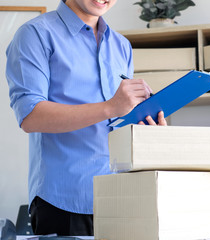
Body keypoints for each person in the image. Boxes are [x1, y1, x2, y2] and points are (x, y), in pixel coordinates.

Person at [5, 0, 167, 236]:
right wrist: (111, 107)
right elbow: (31, 115)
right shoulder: (35, 34)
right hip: (64, 201)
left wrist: (144, 125)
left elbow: (118, 118)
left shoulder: (121, 45)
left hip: (122, 196)